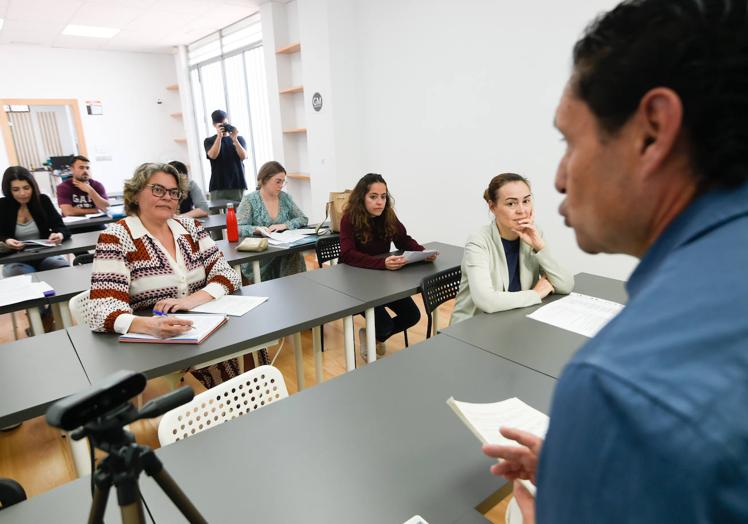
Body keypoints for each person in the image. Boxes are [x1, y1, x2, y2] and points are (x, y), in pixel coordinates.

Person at [482, 1, 748, 522]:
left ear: (652, 131)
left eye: (569, 141)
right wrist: (590, 467)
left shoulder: (616, 389)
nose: (559, 178)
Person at [80, 162, 242, 388]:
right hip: (153, 342)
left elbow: (228, 274)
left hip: (200, 326)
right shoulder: (117, 237)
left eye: (174, 193)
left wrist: (189, 301)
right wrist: (149, 326)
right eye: (158, 189)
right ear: (136, 194)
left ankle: (247, 413)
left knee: (245, 350)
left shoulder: (191, 228)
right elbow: (101, 310)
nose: (167, 197)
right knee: (229, 370)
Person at [450, 173, 573, 325]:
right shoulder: (478, 241)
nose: (522, 210)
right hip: (474, 328)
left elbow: (565, 285)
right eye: (511, 204)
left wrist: (540, 247)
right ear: (492, 207)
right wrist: (536, 293)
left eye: (526, 201)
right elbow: (486, 301)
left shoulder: (534, 233)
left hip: (513, 320)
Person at [339, 173, 437, 359]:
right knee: (384, 324)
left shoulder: (387, 215)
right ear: (362, 198)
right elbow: (347, 254)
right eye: (373, 197)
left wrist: (424, 253)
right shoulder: (349, 219)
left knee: (412, 316)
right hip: (354, 283)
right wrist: (382, 263)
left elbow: (403, 240)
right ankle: (376, 335)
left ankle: (372, 338)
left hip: (381, 278)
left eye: (383, 197)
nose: (380, 202)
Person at [236, 161, 308, 282]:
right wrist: (257, 229)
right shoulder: (249, 200)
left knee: (293, 254)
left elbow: (303, 218)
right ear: (264, 180)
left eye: (283, 182)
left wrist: (285, 225)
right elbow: (238, 228)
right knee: (291, 257)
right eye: (278, 181)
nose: (281, 185)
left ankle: (295, 290)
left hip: (283, 249)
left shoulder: (284, 198)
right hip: (261, 256)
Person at [0, 166, 70, 275]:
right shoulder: (2, 205)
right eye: (16, 189)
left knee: (63, 269)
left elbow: (61, 227)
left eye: (26, 188)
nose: (22, 193)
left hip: (45, 254)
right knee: (23, 277)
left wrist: (59, 234)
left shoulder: (43, 201)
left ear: (33, 187)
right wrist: (7, 240)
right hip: (15, 258)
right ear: (8, 190)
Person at [204, 109, 248, 202]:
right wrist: (219, 137)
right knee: (216, 215)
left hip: (237, 183)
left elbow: (243, 156)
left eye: (224, 123)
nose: (223, 127)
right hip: (218, 185)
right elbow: (212, 155)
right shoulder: (209, 141)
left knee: (240, 215)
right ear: (214, 125)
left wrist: (235, 139)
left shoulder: (239, 139)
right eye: (220, 124)